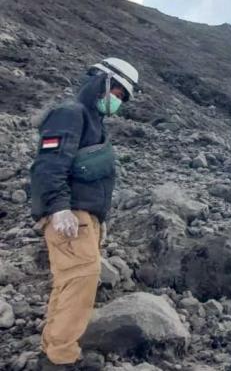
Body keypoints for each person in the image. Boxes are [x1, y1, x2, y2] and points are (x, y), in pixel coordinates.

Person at [30, 58, 140, 369]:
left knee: (69, 281)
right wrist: (59, 208)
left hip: (82, 217)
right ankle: (61, 359)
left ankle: (52, 350)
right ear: (100, 81)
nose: (117, 99)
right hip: (69, 215)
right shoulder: (71, 113)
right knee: (81, 278)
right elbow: (49, 164)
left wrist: (97, 220)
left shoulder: (92, 122)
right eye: (115, 90)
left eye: (122, 96)